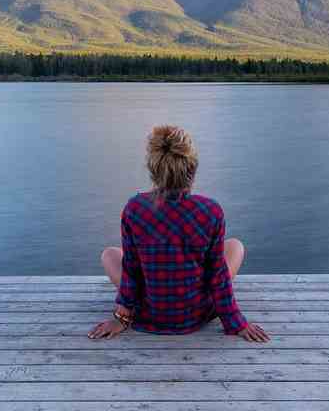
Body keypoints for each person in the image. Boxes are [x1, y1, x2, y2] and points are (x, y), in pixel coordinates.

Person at [89, 125, 270, 343]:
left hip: (149, 312)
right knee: (235, 246)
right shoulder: (210, 210)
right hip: (195, 314)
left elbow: (132, 269)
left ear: (153, 170)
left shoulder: (134, 209)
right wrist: (236, 322)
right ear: (192, 169)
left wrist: (121, 318)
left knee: (110, 254)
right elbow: (218, 274)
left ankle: (137, 308)